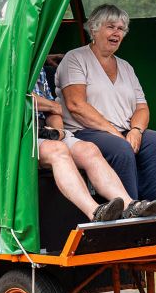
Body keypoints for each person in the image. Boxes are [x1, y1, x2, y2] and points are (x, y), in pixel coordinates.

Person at [57, 4, 156, 214]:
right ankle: (128, 210)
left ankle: (146, 206)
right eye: (110, 27)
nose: (116, 33)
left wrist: (136, 131)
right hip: (85, 132)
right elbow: (76, 105)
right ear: (94, 29)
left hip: (124, 130)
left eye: (121, 29)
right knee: (120, 148)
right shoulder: (75, 58)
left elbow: (142, 107)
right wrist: (114, 132)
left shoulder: (126, 66)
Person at [30, 59, 142, 222]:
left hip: (46, 131)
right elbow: (20, 100)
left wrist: (59, 131)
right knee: (58, 151)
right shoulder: (2, 60)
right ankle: (95, 212)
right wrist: (51, 106)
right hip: (19, 135)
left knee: (89, 149)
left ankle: (129, 206)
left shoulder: (37, 67)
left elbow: (54, 110)